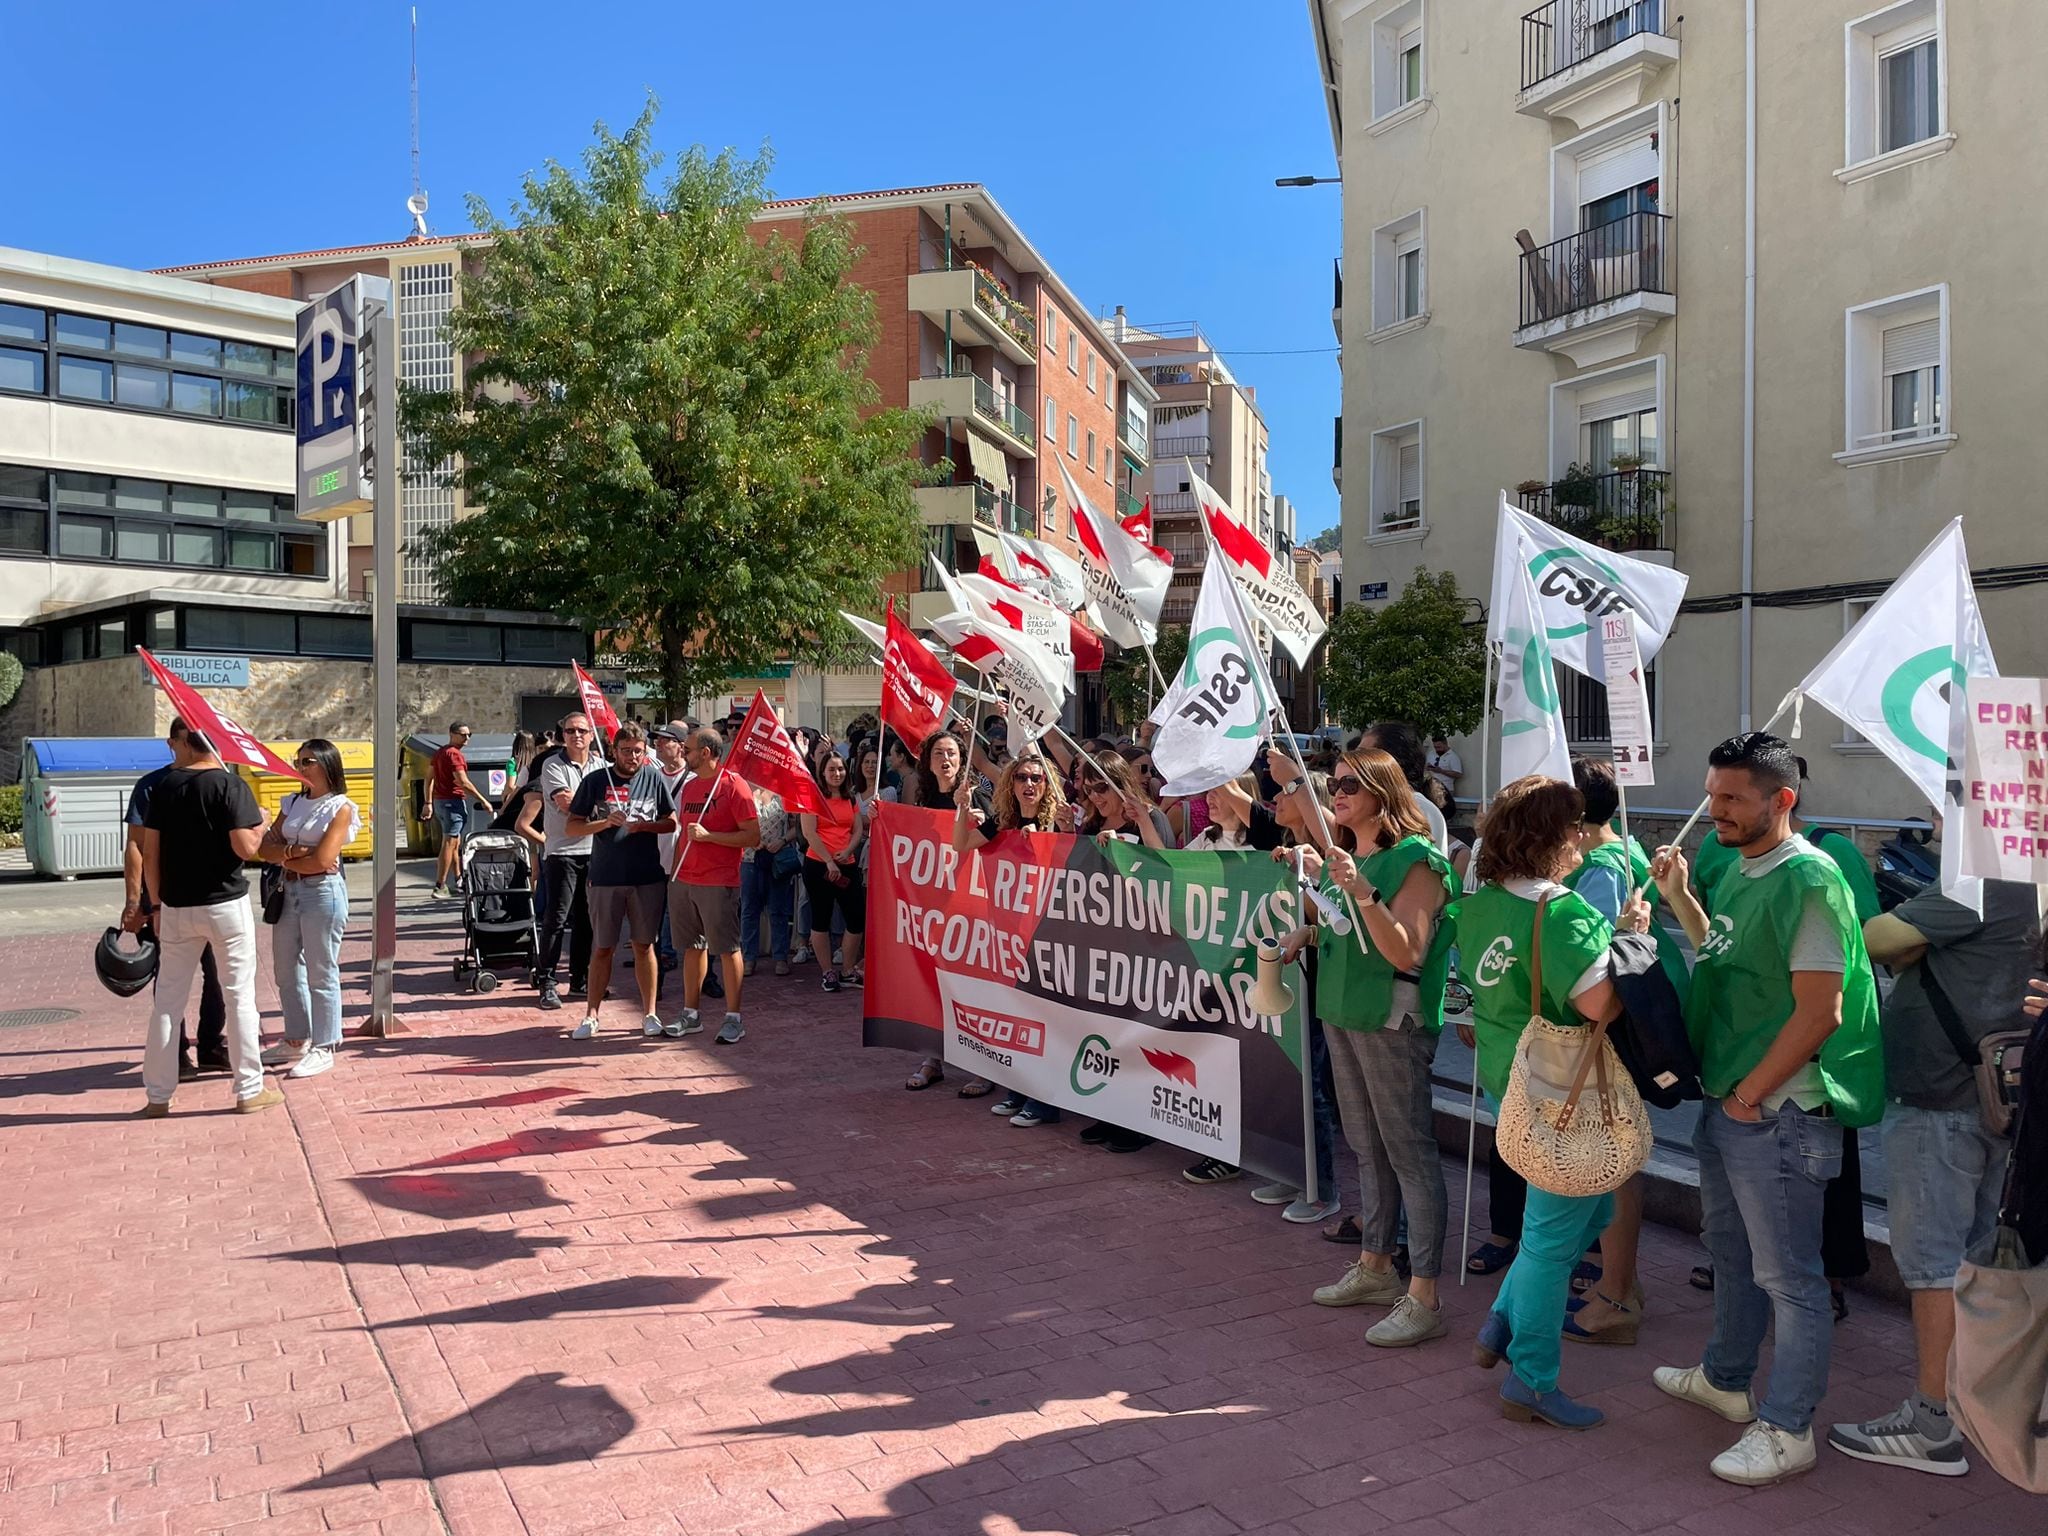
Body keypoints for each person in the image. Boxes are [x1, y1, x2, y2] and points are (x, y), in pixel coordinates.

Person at [1649, 732, 1883, 1486]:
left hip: (1775, 1111)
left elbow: (1822, 1010)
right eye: (1712, 795)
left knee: (1790, 1277)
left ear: (1782, 800)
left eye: (1731, 799)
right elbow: (1725, 955)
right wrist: (1681, 898)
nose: (1713, 810)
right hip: (1734, 1101)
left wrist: (1751, 1095)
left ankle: (1788, 1428)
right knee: (1734, 1258)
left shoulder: (1809, 880)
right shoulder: (1747, 867)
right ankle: (1726, 1379)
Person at [1827, 872, 2039, 1476]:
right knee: (1980, 1264)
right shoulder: (2031, 883)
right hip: (2003, 1093)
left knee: (1933, 1264)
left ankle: (1932, 1424)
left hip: (1941, 1096)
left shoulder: (1978, 881)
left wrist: (1913, 937)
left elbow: (1875, 935)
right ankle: (1976, 1407)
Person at [1459, 774, 1649, 1429]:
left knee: (1591, 1206)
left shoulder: (1480, 900)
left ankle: (1504, 1321)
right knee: (1547, 1242)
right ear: (1551, 835)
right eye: (1571, 826)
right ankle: (1532, 1379)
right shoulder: (1559, 910)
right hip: (1559, 1090)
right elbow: (1605, 1004)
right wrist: (1635, 939)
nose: (1580, 837)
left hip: (1506, 1076)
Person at [1289, 747, 1457, 1348]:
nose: (1337, 794)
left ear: (1385, 796)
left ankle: (1426, 1294)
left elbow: (1406, 950)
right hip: (1341, 1008)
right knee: (1366, 1146)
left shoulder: (1419, 861)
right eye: (1335, 784)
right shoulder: (1355, 856)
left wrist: (1362, 892)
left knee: (1407, 1150)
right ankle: (1378, 1266)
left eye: (1350, 786)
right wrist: (1305, 929)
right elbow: (1346, 929)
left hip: (1390, 1018)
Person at [135, 720, 276, 1116]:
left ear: (186, 743)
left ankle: (158, 1096)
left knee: (167, 1002)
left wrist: (156, 905)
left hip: (177, 906)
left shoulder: (163, 787)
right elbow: (246, 847)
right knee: (239, 997)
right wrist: (261, 819)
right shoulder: (230, 785)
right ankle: (249, 1090)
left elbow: (151, 852)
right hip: (225, 904)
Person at [950, 754, 1072, 1123]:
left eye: (1037, 777)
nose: (1029, 784)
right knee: (1017, 1016)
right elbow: (961, 845)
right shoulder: (1004, 822)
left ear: (1048, 785)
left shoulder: (1058, 821)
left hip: (1050, 937)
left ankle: (1044, 1102)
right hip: (1011, 939)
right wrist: (961, 809)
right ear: (1011, 784)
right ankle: (1018, 1091)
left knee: (1044, 1020)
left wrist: (1048, 838)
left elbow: (1072, 859)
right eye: (1021, 777)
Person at [122, 718, 226, 1082]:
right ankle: (176, 1054)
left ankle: (212, 1045)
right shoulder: (152, 786)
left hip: (213, 899)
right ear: (172, 743)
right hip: (163, 903)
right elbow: (136, 845)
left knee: (218, 978)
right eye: (190, 738)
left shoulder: (221, 780)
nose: (199, 745)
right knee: (170, 980)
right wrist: (136, 901)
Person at [254, 739, 362, 1080]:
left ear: (327, 765)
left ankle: (325, 1044)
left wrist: (287, 853)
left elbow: (324, 860)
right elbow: (263, 849)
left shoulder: (340, 807)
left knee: (321, 970)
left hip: (322, 894)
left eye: (307, 761)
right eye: (298, 761)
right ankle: (296, 1037)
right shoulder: (293, 802)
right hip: (288, 890)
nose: (300, 768)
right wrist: (293, 852)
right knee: (285, 970)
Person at [561, 725, 675, 1041]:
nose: (633, 756)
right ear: (615, 750)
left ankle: (650, 1013)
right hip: (605, 876)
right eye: (626, 750)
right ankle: (591, 1015)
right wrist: (604, 822)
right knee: (603, 947)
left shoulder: (653, 778)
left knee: (644, 945)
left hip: (647, 876)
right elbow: (572, 827)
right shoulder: (596, 781)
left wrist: (645, 827)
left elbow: (671, 822)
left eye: (638, 750)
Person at [667, 727, 759, 1044]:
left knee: (727, 949)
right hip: (685, 879)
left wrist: (710, 837)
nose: (683, 753)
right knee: (692, 948)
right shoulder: (690, 787)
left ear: (706, 753)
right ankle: (690, 1014)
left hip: (719, 881)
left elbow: (753, 836)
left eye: (688, 749)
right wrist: (675, 874)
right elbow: (685, 832)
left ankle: (734, 1018)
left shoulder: (735, 787)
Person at [534, 713, 603, 1012]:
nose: (576, 735)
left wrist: (592, 805)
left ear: (591, 735)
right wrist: (599, 809)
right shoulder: (553, 765)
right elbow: (566, 805)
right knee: (556, 919)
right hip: (562, 852)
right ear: (563, 735)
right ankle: (547, 981)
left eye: (582, 731)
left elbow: (610, 801)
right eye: (570, 730)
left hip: (594, 851)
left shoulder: (601, 766)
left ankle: (580, 979)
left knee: (588, 920)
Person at [801, 752, 868, 992]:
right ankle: (827, 972)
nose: (837, 774)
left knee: (856, 918)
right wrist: (829, 861)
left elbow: (857, 827)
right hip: (819, 865)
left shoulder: (850, 798)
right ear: (822, 772)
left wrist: (848, 850)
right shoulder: (812, 797)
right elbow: (810, 832)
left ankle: (848, 970)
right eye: (831, 769)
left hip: (847, 863)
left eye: (840, 769)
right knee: (821, 917)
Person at [1361, 721, 1449, 854]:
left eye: (1363, 755)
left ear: (1388, 762)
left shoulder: (1418, 808)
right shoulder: (1382, 803)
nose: (1353, 762)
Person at [741, 784, 798, 978]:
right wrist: (752, 840)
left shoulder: (784, 795)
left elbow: (795, 827)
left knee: (778, 909)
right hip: (749, 858)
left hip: (777, 859)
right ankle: (749, 957)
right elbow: (736, 824)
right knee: (749, 909)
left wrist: (782, 841)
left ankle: (780, 957)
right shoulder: (745, 793)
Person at [649, 724, 693, 973]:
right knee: (655, 916)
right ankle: (659, 971)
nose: (658, 744)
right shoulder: (651, 776)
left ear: (680, 747)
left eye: (665, 740)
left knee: (691, 920)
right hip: (655, 859)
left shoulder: (694, 779)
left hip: (686, 859)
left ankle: (705, 976)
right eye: (657, 740)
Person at [430, 721, 487, 900]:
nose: (467, 738)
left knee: (455, 843)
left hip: (440, 802)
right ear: (452, 734)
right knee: (449, 843)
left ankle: (458, 880)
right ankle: (440, 885)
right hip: (452, 802)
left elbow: (428, 778)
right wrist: (483, 800)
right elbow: (463, 782)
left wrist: (428, 802)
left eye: (469, 735)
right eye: (463, 734)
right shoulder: (455, 755)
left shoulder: (440, 753)